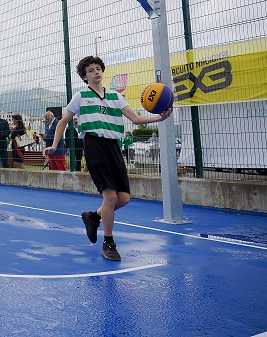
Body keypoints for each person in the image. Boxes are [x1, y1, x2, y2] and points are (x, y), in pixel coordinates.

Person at [43, 56, 173, 262]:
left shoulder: (115, 96)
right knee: (110, 198)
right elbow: (62, 123)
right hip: (94, 145)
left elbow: (136, 118)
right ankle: (109, 242)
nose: (96, 72)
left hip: (114, 146)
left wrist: (160, 117)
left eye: (98, 68)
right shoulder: (80, 97)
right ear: (85, 77)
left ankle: (93, 217)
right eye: (91, 70)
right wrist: (53, 144)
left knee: (123, 199)